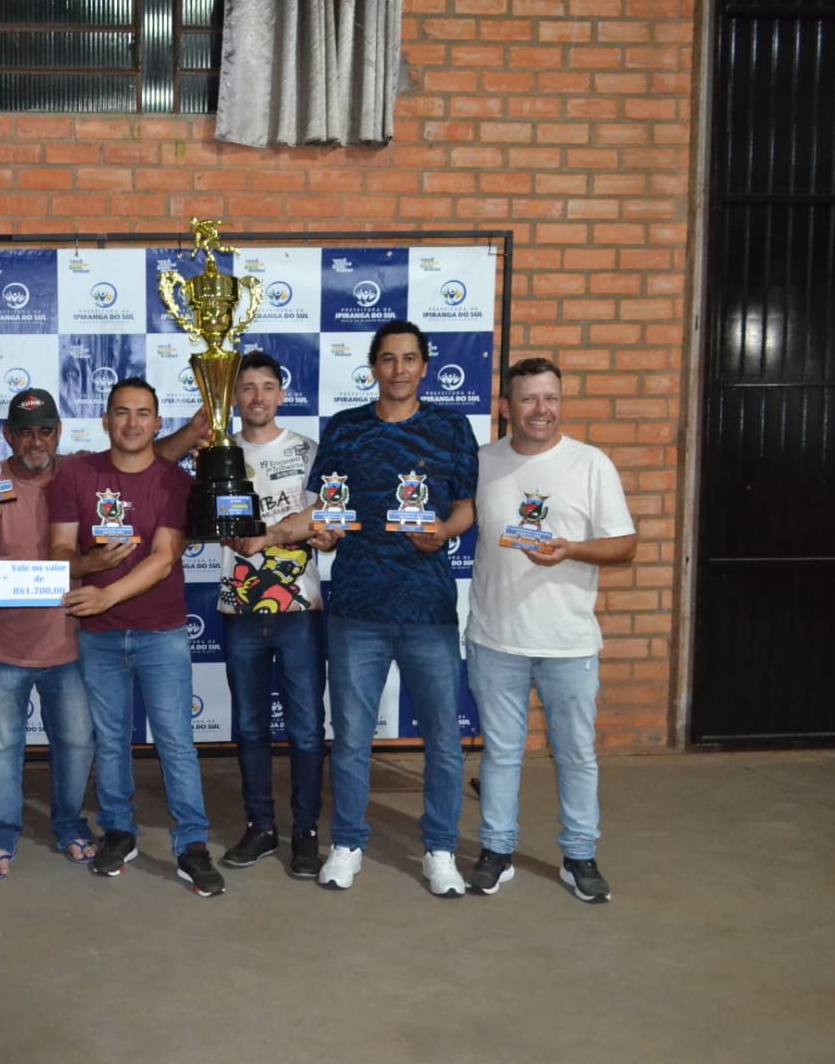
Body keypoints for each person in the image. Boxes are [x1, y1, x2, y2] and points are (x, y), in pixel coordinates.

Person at [241, 320, 477, 896]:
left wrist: (444, 531)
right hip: (356, 610)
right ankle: (347, 843)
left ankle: (441, 849)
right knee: (349, 740)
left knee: (444, 743)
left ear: (424, 366)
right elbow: (325, 512)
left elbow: (467, 507)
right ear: (373, 368)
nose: (399, 369)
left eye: (409, 358)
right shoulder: (345, 429)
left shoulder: (451, 427)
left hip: (428, 611)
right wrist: (283, 536)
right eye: (388, 359)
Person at [0, 390, 210, 881]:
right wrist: (89, 566)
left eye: (45, 430)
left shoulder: (102, 473)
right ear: (8, 435)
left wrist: (193, 432)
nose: (36, 441)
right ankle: (28, 833)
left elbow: (148, 483)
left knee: (125, 743)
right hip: (29, 637)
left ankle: (181, 842)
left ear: (59, 432)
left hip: (90, 636)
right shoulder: (3, 482)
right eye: (24, 432)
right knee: (23, 747)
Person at [464, 357, 636, 903]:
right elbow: (458, 520)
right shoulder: (482, 461)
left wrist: (571, 550)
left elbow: (625, 546)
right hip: (495, 637)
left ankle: (579, 856)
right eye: (529, 399)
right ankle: (496, 851)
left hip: (568, 642)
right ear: (506, 407)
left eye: (551, 398)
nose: (542, 409)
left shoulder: (590, 464)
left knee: (576, 754)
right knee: (501, 753)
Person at [48, 378, 226, 897]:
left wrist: (107, 594)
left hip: (161, 632)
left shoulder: (176, 481)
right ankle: (119, 831)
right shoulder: (77, 474)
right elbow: (59, 553)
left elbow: (165, 557)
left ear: (157, 422)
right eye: (122, 412)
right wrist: (89, 565)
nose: (132, 422)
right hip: (99, 636)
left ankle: (192, 844)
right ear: (105, 420)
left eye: (143, 413)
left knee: (175, 740)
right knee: (111, 740)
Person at [216, 351, 329, 879]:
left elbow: (325, 514)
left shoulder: (308, 450)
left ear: (282, 394)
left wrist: (299, 532)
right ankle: (260, 827)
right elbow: (205, 517)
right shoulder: (218, 452)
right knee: (249, 728)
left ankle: (306, 833)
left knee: (306, 730)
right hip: (238, 608)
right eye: (247, 388)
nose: (257, 396)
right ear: (234, 397)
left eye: (267, 386)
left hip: (299, 608)